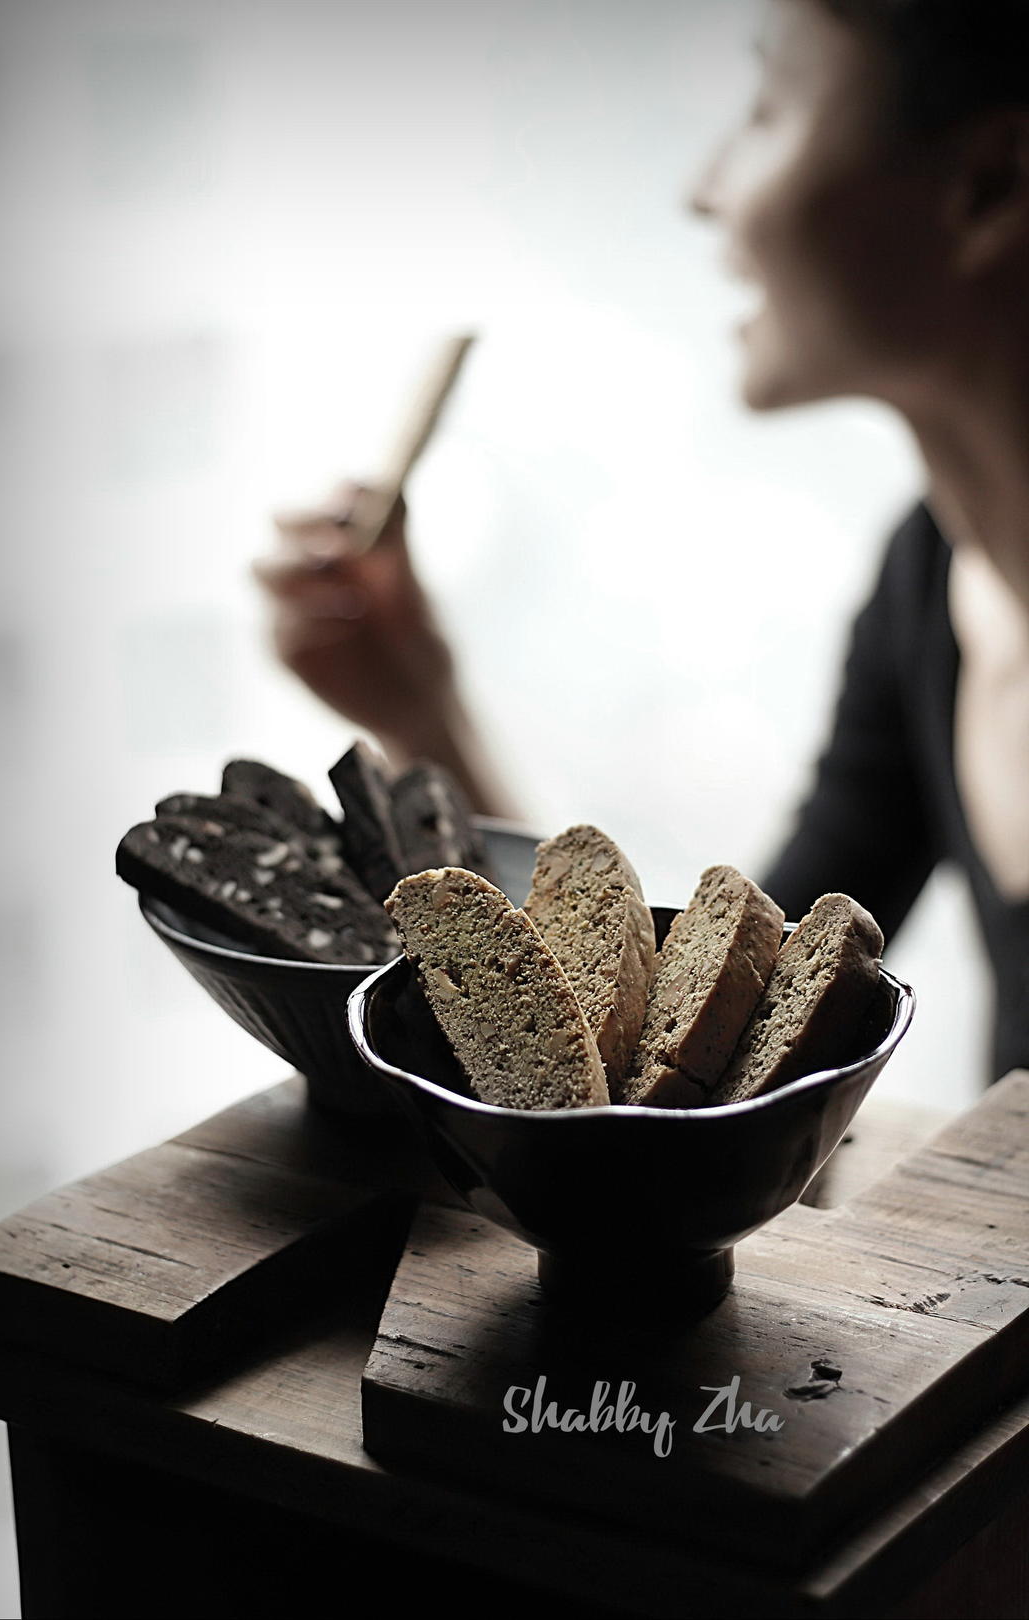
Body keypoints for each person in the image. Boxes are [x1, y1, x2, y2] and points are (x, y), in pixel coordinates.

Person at [253, 0, 1029, 1085]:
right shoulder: (933, 580)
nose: (702, 190)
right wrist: (420, 709)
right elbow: (726, 1050)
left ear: (989, 181)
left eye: (769, 110)